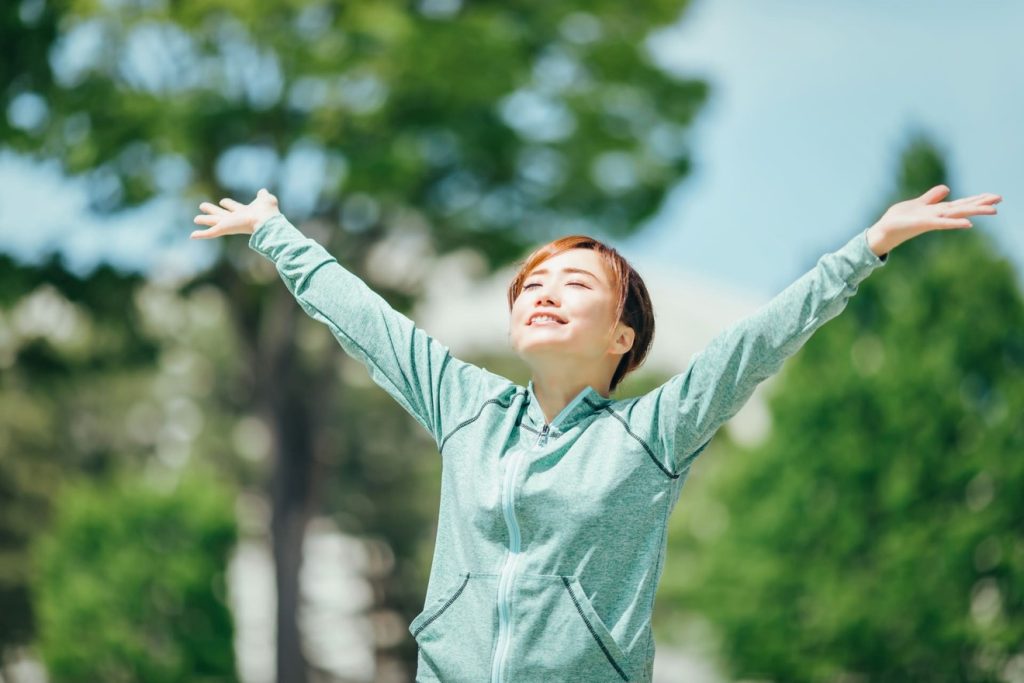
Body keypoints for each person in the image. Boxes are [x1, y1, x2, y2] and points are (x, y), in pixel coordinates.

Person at [192, 185, 1000, 682]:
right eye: (530, 284)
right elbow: (369, 323)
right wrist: (274, 232)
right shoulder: (467, 408)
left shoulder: (652, 432)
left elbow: (755, 343)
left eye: (574, 283)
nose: (542, 293)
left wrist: (870, 247)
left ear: (622, 337)